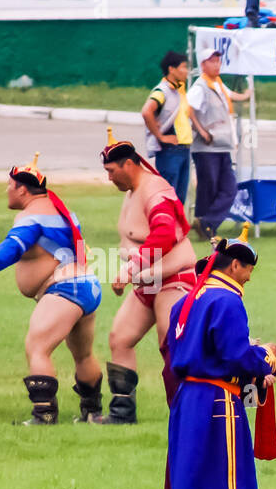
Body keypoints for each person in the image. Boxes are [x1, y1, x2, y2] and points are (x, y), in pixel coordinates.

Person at [162, 229, 276, 489]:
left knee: (194, 472)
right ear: (234, 267)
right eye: (247, 270)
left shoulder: (186, 301)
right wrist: (265, 358)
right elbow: (235, 356)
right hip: (218, 399)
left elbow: (181, 352)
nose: (248, 276)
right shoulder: (228, 300)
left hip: (188, 399)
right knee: (221, 476)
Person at [0, 154, 104, 424]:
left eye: (10, 185)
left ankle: (44, 415)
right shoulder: (62, 210)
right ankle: (92, 412)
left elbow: (13, 247)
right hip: (86, 285)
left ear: (23, 189)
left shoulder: (31, 217)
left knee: (37, 347)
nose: (7, 190)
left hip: (64, 290)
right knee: (83, 354)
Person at [101, 128, 198, 423]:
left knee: (170, 345)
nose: (109, 178)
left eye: (111, 171)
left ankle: (185, 414)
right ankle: (122, 413)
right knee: (120, 338)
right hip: (148, 280)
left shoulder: (155, 191)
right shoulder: (133, 191)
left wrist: (131, 268)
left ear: (129, 164)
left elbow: (165, 234)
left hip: (173, 278)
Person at [188, 49, 251, 240]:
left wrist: (248, 91)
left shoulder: (218, 84)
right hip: (207, 147)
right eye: (212, 61)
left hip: (222, 145)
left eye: (218, 61)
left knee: (229, 188)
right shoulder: (200, 87)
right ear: (203, 65)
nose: (217, 64)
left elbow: (234, 96)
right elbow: (188, 109)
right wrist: (201, 130)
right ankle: (207, 227)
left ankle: (206, 222)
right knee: (210, 187)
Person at [142, 51, 194, 205]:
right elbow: (146, 111)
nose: (187, 71)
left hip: (184, 149)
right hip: (170, 151)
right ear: (172, 69)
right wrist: (161, 136)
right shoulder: (162, 91)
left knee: (180, 199)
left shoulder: (179, 89)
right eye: (184, 67)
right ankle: (165, 228)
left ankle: (176, 229)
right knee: (168, 198)